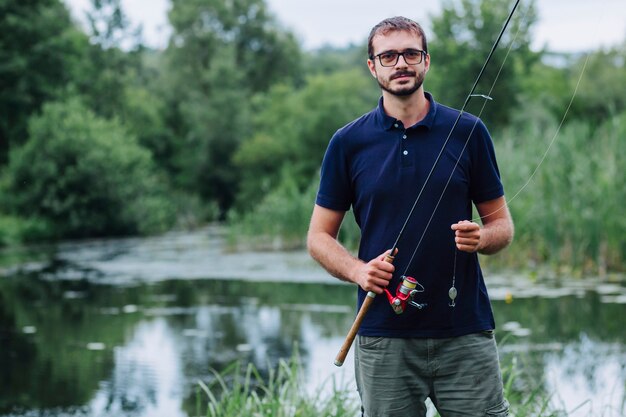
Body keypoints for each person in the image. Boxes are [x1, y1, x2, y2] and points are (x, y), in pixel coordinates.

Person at [306, 16, 514, 417]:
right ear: (373, 66)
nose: (400, 63)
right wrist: (357, 271)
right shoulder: (348, 142)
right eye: (388, 55)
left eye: (410, 53)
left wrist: (481, 238)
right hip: (384, 337)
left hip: (465, 332)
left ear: (426, 61)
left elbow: (503, 227)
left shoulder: (469, 131)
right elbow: (318, 237)